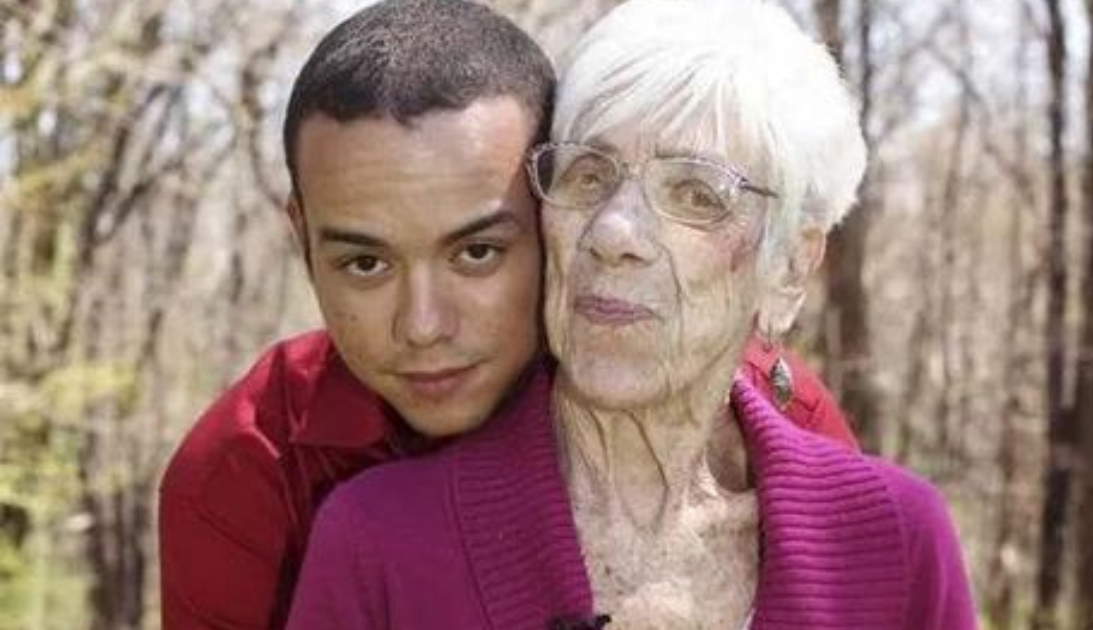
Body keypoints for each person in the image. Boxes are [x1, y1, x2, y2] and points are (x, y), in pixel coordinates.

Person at [157, 1, 854, 629]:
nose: (423, 326)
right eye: (365, 263)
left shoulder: (762, 413)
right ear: (302, 237)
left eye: (477, 253)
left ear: (557, 211)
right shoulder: (246, 469)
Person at [283, 0, 978, 629]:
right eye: (589, 175)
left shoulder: (894, 538)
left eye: (697, 194)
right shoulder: (381, 542)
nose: (613, 232)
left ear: (791, 266)